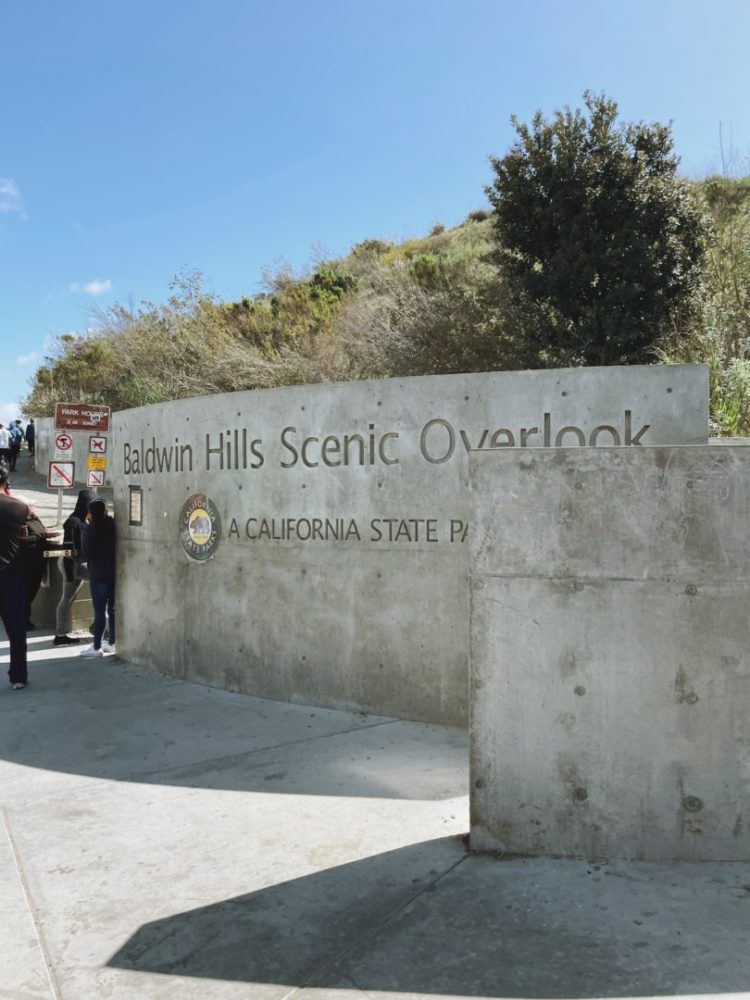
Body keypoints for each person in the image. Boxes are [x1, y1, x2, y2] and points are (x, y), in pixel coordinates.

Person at [0, 462, 31, 689]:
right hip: (10, 576)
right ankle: (18, 677)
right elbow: (35, 534)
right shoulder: (19, 507)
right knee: (17, 630)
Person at [53, 488, 97, 646]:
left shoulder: (84, 521)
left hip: (77, 564)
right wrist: (70, 574)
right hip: (71, 565)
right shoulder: (73, 522)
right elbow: (68, 551)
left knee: (68, 598)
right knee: (67, 598)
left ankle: (61, 634)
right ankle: (60, 635)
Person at [80, 498, 115, 657]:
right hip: (112, 572)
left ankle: (97, 646)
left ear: (90, 513)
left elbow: (87, 554)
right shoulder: (111, 524)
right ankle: (113, 642)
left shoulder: (88, 530)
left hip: (97, 573)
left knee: (99, 610)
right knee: (112, 609)